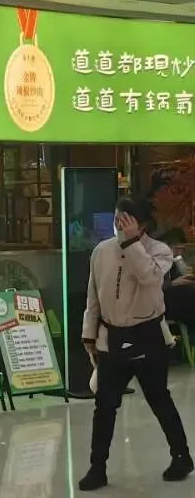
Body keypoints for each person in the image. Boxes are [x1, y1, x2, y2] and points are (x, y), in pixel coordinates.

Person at [80, 196, 192, 491]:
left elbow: (150, 279)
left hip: (148, 337)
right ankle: (97, 467)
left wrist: (132, 243)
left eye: (127, 219)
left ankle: (182, 456)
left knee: (159, 399)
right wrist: (89, 334)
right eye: (117, 218)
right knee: (104, 405)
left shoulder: (160, 251)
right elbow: (93, 297)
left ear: (142, 224)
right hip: (112, 339)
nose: (120, 224)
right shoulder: (101, 251)